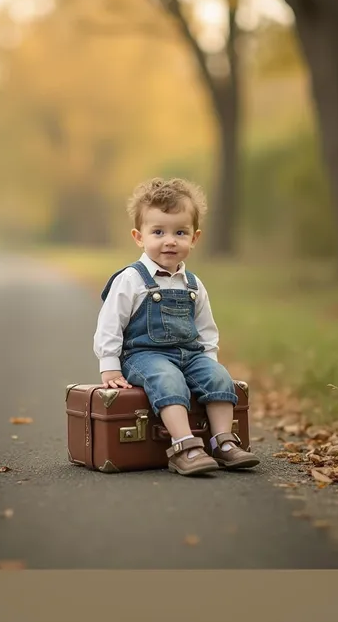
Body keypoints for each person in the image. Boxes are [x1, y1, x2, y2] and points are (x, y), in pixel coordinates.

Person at [93, 177, 260, 476]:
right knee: (167, 379)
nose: (170, 240)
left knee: (220, 378)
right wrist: (109, 365)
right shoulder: (131, 279)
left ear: (194, 238)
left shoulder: (193, 284)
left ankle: (223, 443)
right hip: (143, 356)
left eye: (180, 232)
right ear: (138, 236)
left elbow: (206, 329)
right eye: (158, 232)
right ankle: (185, 446)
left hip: (189, 354)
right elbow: (110, 323)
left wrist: (208, 362)